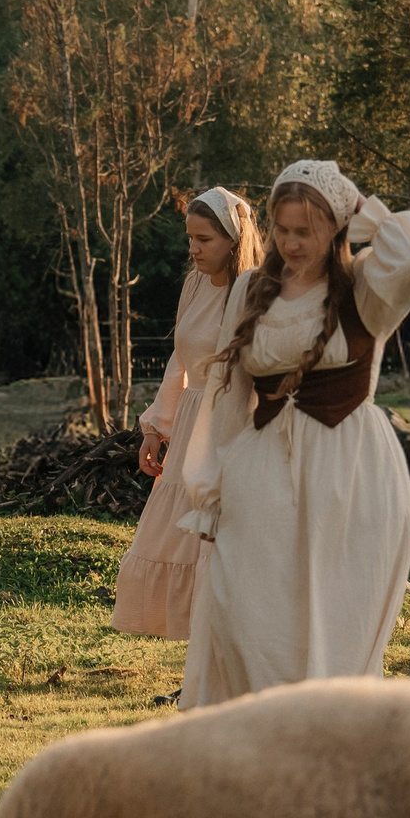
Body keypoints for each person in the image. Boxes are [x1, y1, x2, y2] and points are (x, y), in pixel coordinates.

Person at [173, 160, 410, 707]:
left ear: (335, 228)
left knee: (332, 613)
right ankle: (257, 731)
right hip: (262, 463)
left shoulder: (365, 287)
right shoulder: (251, 288)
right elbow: (227, 393)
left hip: (348, 469)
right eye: (284, 230)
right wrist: (210, 487)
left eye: (308, 230)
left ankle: (325, 730)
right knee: (243, 605)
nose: (293, 243)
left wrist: (358, 205)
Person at [111, 187, 264, 640]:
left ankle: (229, 674)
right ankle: (197, 678)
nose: (193, 249)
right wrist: (157, 427)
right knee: (172, 544)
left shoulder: (254, 289)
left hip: (235, 428)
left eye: (205, 239)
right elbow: (180, 360)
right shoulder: (194, 283)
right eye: (189, 238)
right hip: (192, 430)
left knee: (224, 554)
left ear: (234, 241)